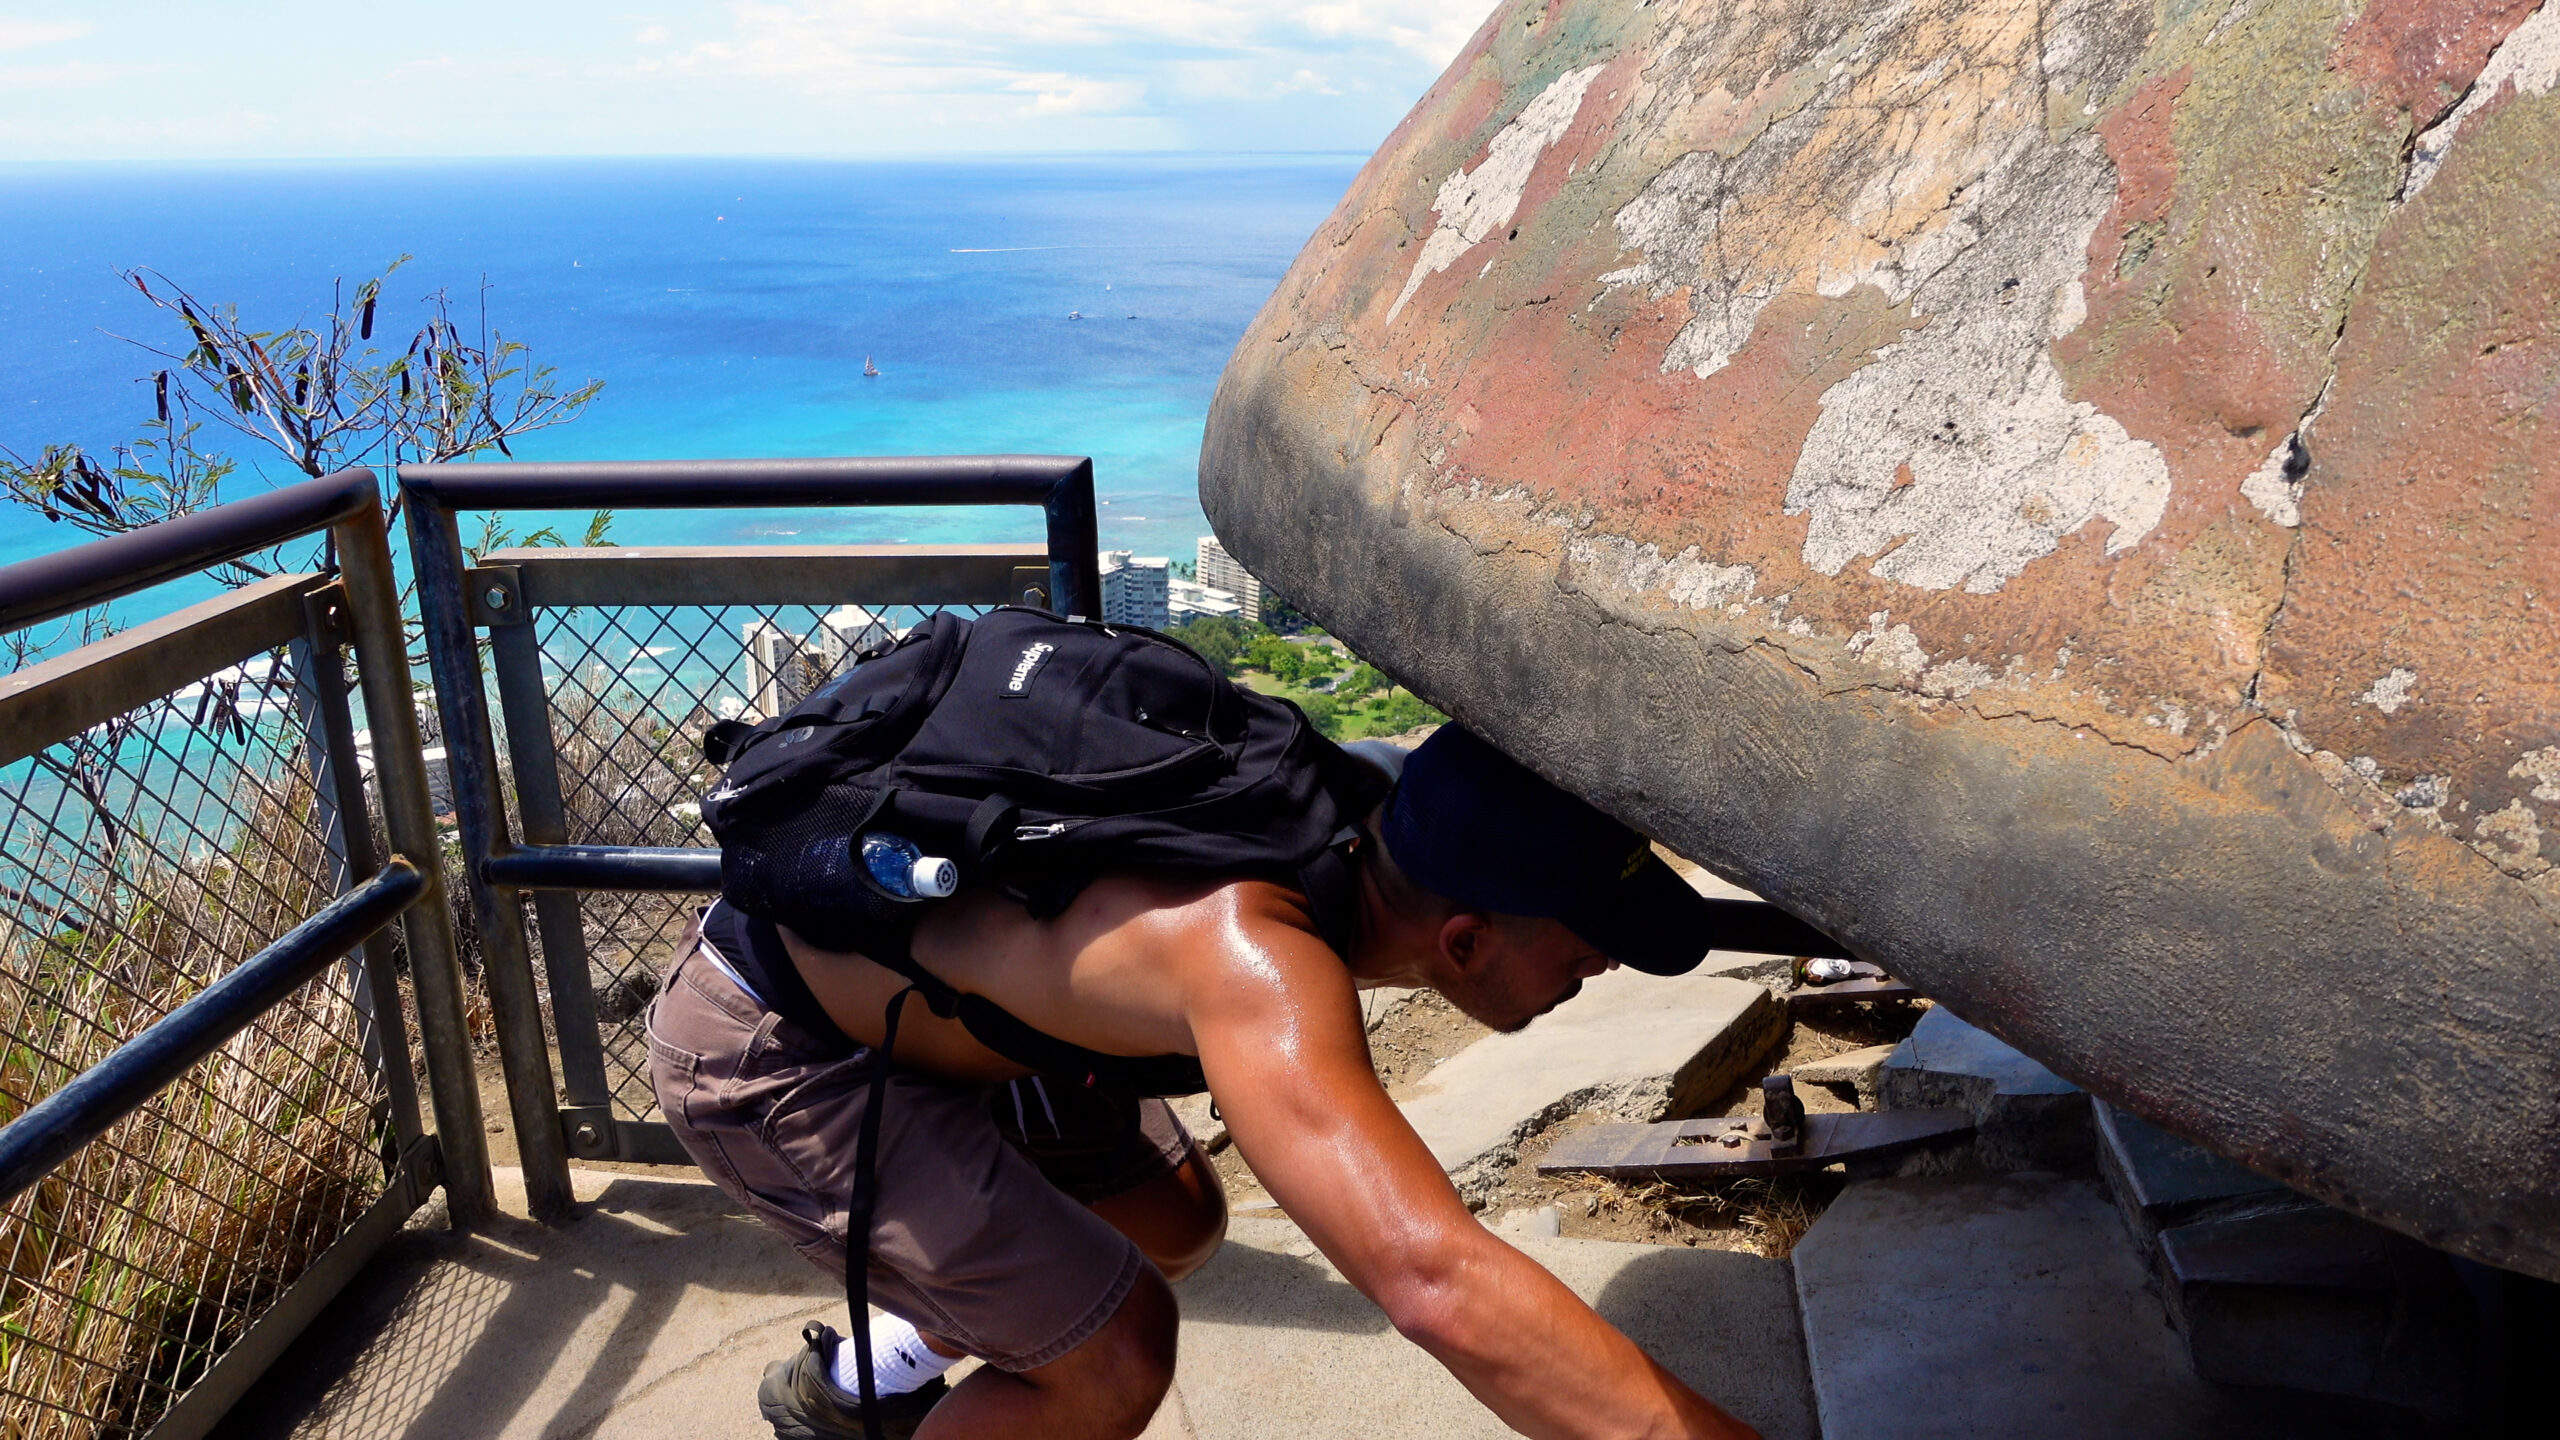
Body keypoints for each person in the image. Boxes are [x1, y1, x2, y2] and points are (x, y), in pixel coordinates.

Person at [646, 723, 1765, 1440]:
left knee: (1172, 1219)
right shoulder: (1258, 958)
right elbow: (1436, 1283)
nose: (1602, 963)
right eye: (1587, 942)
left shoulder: (1362, 797)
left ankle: (864, 1376)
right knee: (1114, 1351)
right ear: (1462, 943)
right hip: (782, 1045)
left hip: (966, 1011)